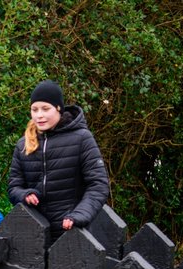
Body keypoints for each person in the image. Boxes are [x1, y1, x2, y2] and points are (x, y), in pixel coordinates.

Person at [8, 80, 109, 236]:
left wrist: (80, 215)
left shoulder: (82, 138)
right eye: (34, 109)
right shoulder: (23, 144)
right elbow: (14, 186)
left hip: (73, 232)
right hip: (34, 233)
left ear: (58, 108)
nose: (39, 115)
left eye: (45, 109)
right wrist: (24, 195)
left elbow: (98, 185)